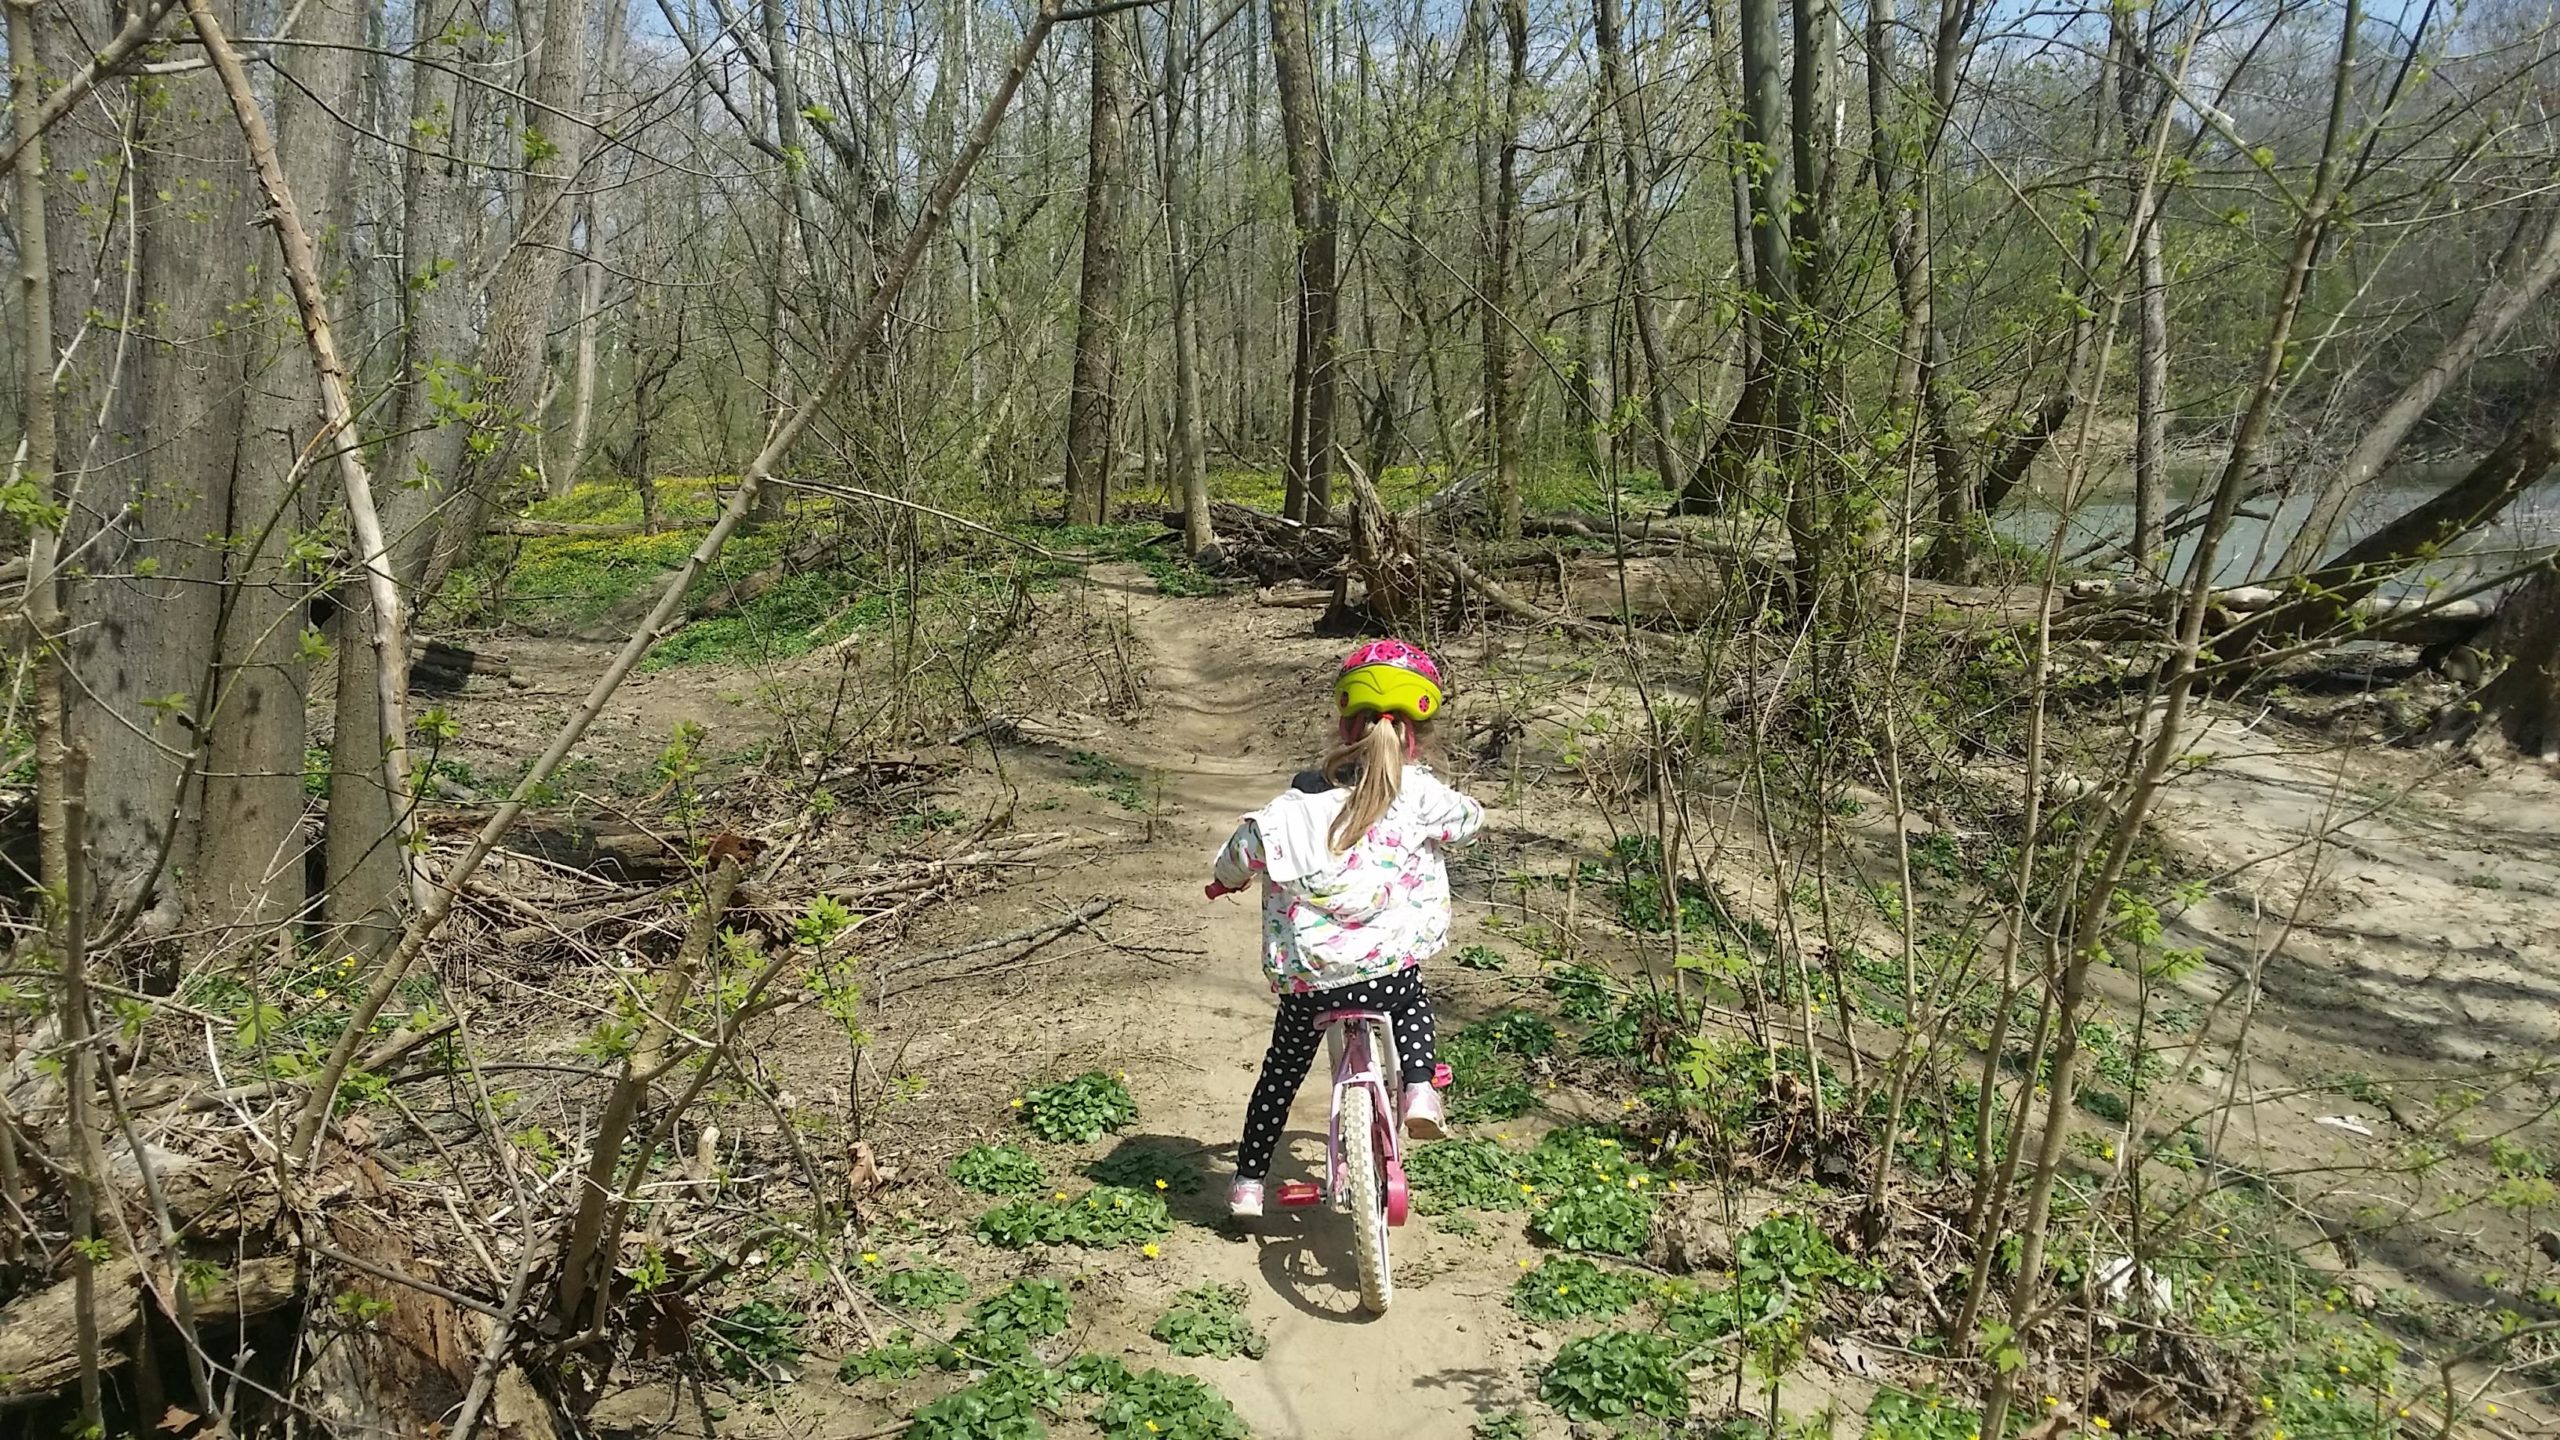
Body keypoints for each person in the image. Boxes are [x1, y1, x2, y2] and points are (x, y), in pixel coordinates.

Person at [1205, 639, 1486, 1218]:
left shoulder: (1293, 807)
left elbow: (1242, 851)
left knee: (1280, 1075)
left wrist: (1225, 879)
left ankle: (1250, 1184)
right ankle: (1418, 1090)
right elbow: (1469, 822)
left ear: (1343, 724)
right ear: (1419, 734)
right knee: (1410, 1000)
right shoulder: (1421, 797)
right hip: (1385, 973)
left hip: (1312, 982)